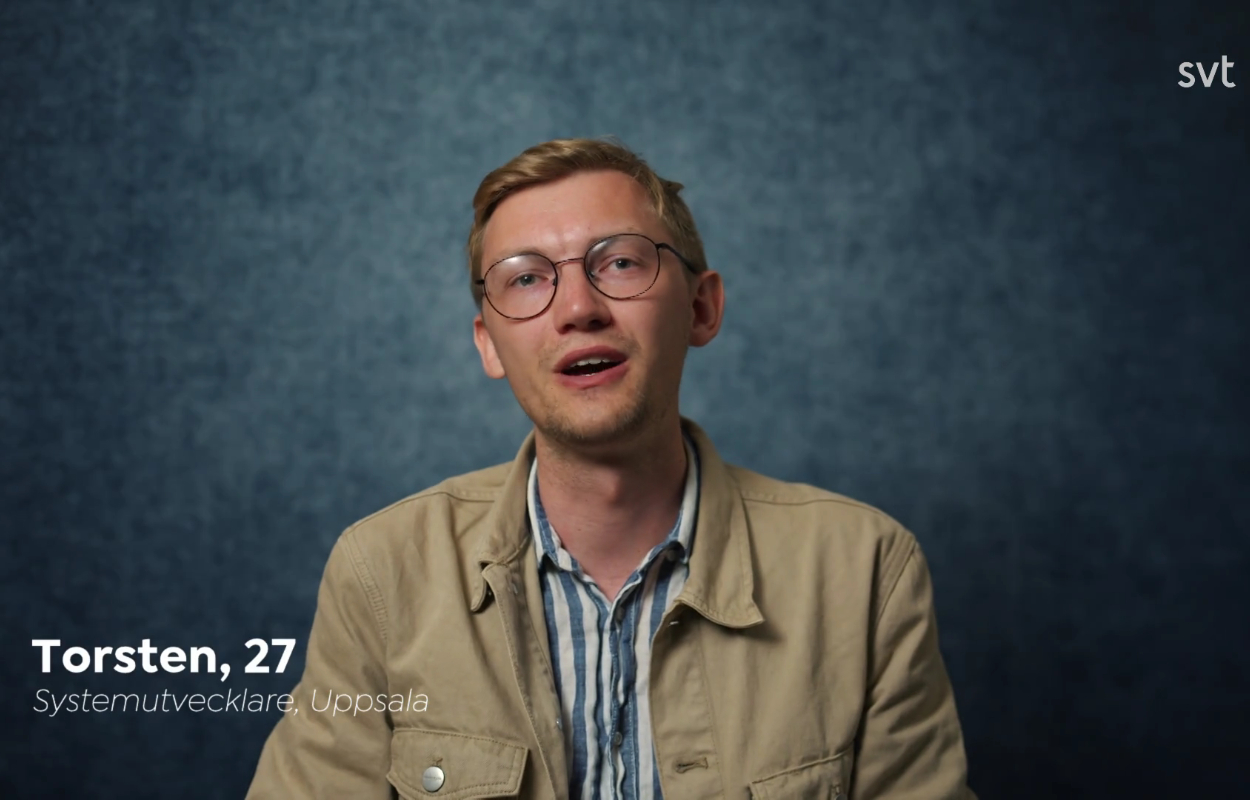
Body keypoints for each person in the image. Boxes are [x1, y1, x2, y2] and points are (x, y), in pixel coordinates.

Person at [246, 138, 975, 799]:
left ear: (701, 307)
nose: (577, 308)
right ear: (489, 345)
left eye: (620, 261)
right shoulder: (382, 573)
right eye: (527, 279)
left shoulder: (866, 570)